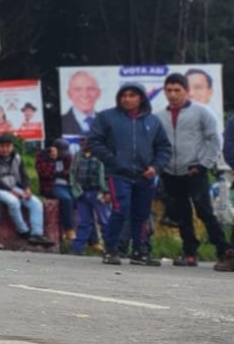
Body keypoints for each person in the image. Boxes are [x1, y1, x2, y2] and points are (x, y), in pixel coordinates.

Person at [89, 82, 170, 266]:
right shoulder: (106, 117)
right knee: (120, 209)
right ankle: (111, 250)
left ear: (141, 98)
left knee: (142, 214)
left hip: (145, 175)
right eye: (123, 95)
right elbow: (94, 142)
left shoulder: (153, 121)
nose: (127, 99)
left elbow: (164, 148)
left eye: (132, 95)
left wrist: (155, 167)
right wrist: (113, 160)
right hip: (118, 174)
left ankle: (140, 252)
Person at [156, 72, 230, 267]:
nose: (173, 94)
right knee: (181, 214)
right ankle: (189, 252)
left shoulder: (202, 112)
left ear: (186, 91)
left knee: (204, 211)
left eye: (177, 90)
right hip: (170, 171)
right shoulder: (159, 117)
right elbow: (156, 144)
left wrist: (203, 164)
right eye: (169, 90)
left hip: (195, 170)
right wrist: (160, 164)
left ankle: (224, 250)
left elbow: (215, 139)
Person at [0, 133, 53, 247]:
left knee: (36, 203)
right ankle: (23, 231)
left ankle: (36, 234)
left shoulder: (16, 157)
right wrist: (11, 191)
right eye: (2, 146)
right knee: (13, 201)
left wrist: (27, 189)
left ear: (12, 147)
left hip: (14, 186)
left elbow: (23, 175)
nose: (5, 149)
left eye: (8, 146)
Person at [71, 138, 109, 255]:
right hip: (82, 193)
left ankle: (111, 248)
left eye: (85, 141)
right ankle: (77, 249)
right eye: (81, 141)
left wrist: (107, 192)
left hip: (98, 193)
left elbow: (106, 174)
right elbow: (72, 173)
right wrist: (76, 190)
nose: (83, 144)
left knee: (105, 221)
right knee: (83, 222)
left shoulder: (101, 155)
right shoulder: (78, 156)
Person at [35, 138, 76, 244]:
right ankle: (69, 230)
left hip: (67, 185)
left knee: (79, 199)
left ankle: (91, 240)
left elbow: (71, 172)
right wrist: (52, 160)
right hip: (50, 186)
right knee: (66, 199)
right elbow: (45, 174)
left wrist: (64, 173)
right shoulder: (42, 157)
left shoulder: (67, 157)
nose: (63, 155)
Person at [61, 70, 102, 137]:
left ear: (98, 93)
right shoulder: (60, 122)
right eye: (78, 89)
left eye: (90, 88)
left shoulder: (107, 122)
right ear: (69, 94)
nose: (85, 94)